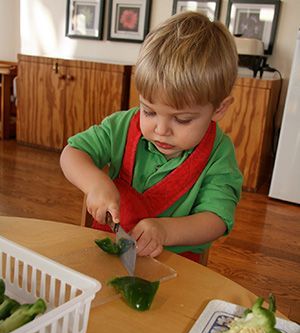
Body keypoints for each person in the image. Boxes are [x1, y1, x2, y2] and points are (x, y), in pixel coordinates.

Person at [60, 11, 243, 262]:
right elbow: (71, 154)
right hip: (107, 251)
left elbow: (217, 219)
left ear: (219, 109)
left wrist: (166, 231)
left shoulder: (219, 154)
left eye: (182, 119)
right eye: (149, 111)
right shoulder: (123, 126)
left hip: (176, 263)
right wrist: (95, 183)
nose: (161, 129)